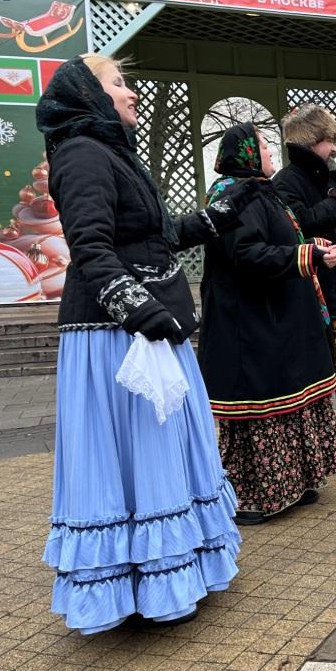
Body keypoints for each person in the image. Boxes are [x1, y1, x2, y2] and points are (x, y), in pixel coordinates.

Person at [36, 54, 241, 634]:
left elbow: (154, 236)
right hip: (115, 336)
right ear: (89, 97)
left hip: (149, 328)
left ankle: (174, 570)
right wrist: (142, 312)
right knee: (135, 456)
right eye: (118, 84)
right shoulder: (81, 154)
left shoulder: (115, 156)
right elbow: (91, 248)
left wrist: (214, 217)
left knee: (165, 449)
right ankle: (131, 587)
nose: (130, 94)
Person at [198, 122, 336, 525]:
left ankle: (294, 483)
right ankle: (255, 496)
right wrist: (307, 258)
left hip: (276, 317)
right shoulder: (233, 196)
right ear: (246, 152)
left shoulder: (257, 192)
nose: (271, 154)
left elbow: (275, 242)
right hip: (249, 323)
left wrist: (308, 248)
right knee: (261, 406)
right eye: (264, 146)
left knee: (290, 396)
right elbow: (246, 254)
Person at [273, 104, 336, 459]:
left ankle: (326, 436)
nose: (335, 147)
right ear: (313, 141)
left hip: (332, 286)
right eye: (329, 140)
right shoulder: (286, 182)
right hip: (308, 289)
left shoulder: (326, 177)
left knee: (333, 362)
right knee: (315, 365)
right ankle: (314, 440)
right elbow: (299, 222)